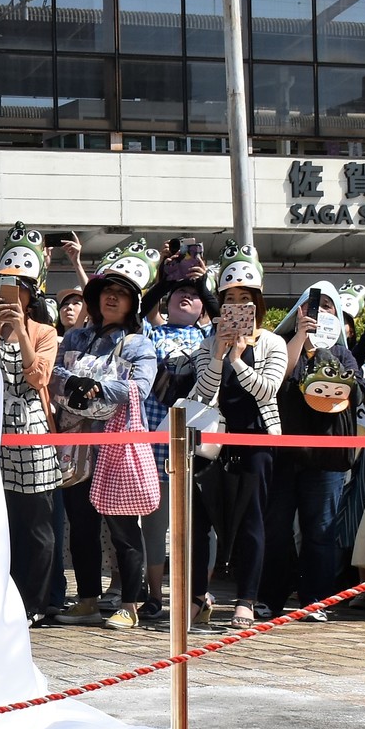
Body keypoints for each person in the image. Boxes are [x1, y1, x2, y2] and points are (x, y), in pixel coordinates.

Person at [51, 239, 160, 629]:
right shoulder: (77, 337)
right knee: (80, 526)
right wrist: (77, 383)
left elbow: (140, 389)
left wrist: (96, 388)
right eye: (107, 292)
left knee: (123, 530)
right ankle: (86, 598)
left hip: (116, 446)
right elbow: (54, 375)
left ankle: (130, 604)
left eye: (121, 294)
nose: (112, 299)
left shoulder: (139, 344)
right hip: (76, 445)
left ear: (133, 304)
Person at [191, 242, 286, 629]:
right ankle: (197, 596)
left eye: (244, 299)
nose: (236, 306)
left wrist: (238, 360)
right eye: (229, 299)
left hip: (257, 439)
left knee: (251, 520)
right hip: (212, 442)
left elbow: (268, 390)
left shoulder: (272, 342)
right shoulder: (206, 342)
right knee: (199, 520)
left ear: (257, 304)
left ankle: (246, 599)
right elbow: (202, 392)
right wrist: (218, 353)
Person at [262, 281, 362, 622]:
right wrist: (301, 337)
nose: (321, 315)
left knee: (320, 531)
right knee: (276, 528)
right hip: (284, 454)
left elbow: (358, 392)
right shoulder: (282, 345)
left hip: (327, 457)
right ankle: (271, 597)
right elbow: (277, 379)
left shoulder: (343, 353)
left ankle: (315, 598)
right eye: (313, 307)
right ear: (299, 311)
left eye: (329, 308)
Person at [138, 246, 215, 621]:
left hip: (200, 444)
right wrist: (163, 279)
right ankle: (154, 594)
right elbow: (138, 312)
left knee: (203, 528)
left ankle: (200, 597)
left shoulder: (211, 335)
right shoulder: (150, 333)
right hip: (157, 445)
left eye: (196, 296)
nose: (188, 296)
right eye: (179, 294)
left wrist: (202, 281)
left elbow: (226, 319)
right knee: (155, 522)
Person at [0, 227, 61, 624]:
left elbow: (39, 378)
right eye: (4, 288)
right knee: (2, 521)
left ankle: (34, 602)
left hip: (32, 431)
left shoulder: (46, 332)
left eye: (19, 289)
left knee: (36, 522)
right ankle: (4, 598)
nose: (10, 297)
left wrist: (20, 329)